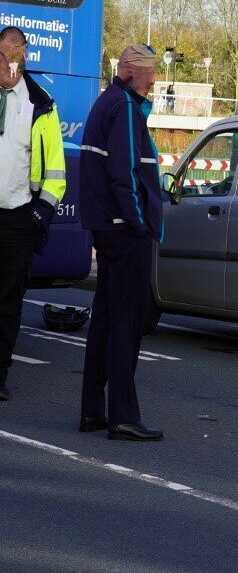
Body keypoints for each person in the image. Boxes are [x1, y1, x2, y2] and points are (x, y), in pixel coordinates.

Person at [79, 43, 165, 441]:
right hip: (124, 230)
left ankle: (94, 411)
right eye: (150, 71)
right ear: (130, 70)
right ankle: (124, 416)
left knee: (105, 321)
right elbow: (124, 173)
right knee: (126, 325)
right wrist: (138, 222)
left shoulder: (105, 102)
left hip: (105, 227)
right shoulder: (126, 109)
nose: (155, 79)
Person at [0, 27, 67, 402]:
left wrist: (39, 214)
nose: (10, 61)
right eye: (3, 55)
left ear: (24, 56)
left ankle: (0, 373)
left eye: (15, 54)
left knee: (8, 301)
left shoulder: (40, 104)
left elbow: (56, 169)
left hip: (18, 219)